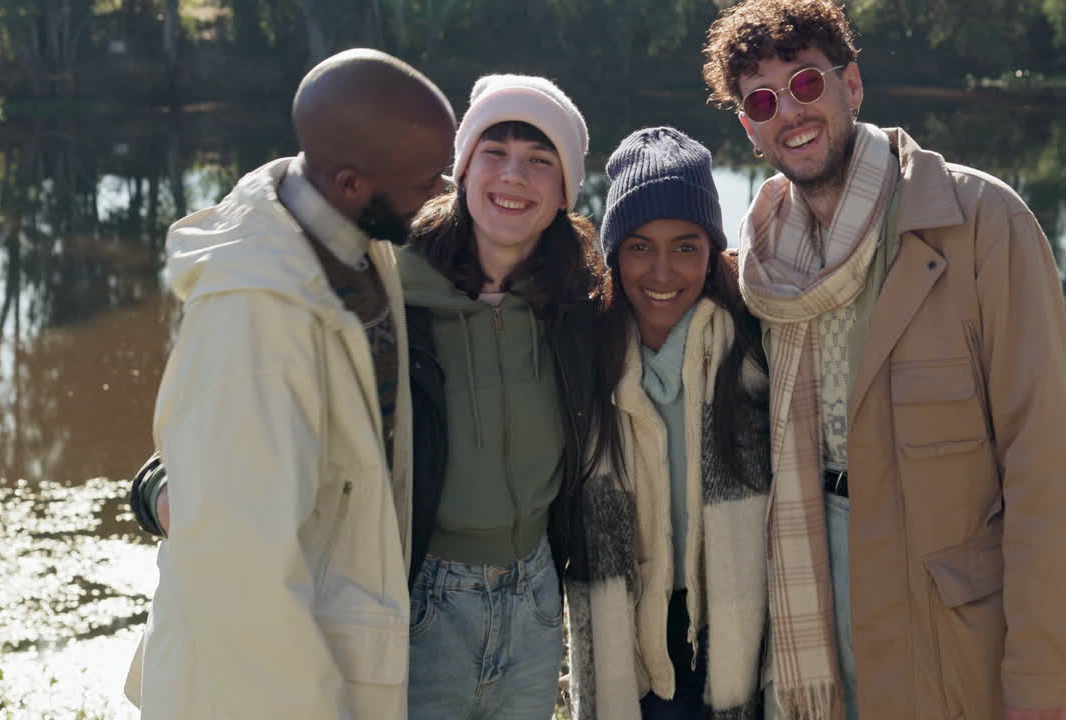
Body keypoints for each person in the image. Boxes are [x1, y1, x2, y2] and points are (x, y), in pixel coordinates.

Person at [701, 2, 1066, 719]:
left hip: (943, 618)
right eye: (762, 100)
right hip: (809, 589)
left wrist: (1039, 680)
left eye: (806, 84)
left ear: (851, 85)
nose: (789, 112)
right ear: (748, 128)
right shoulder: (760, 262)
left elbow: (1045, 471)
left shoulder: (981, 223)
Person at [121, 48, 455, 719]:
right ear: (352, 182)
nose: (443, 189)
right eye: (425, 178)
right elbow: (242, 580)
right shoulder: (256, 317)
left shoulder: (348, 237)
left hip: (340, 652)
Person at [396, 73, 605, 720]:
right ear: (461, 169)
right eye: (495, 152)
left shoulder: (581, 307)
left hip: (537, 594)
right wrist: (169, 485)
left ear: (564, 190)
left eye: (540, 160)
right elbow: (269, 385)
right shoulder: (386, 298)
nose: (514, 176)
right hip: (421, 598)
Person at [563, 127, 771, 720]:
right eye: (638, 247)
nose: (661, 272)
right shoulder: (584, 357)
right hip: (627, 624)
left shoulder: (754, 350)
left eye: (684, 246)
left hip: (733, 622)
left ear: (712, 251)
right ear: (613, 253)